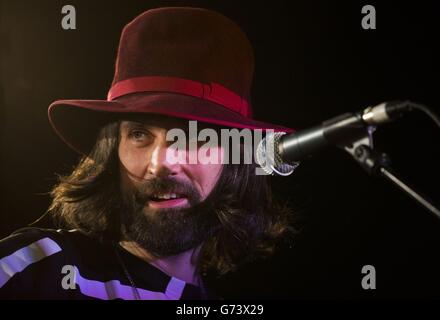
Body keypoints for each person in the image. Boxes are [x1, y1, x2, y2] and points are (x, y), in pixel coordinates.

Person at [0, 7, 293, 300]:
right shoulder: (35, 269)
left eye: (193, 138)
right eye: (139, 135)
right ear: (111, 150)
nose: (161, 163)